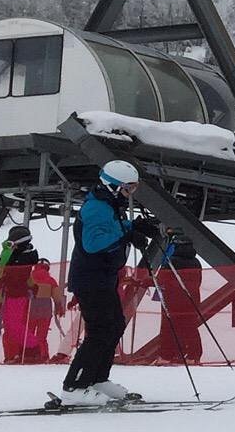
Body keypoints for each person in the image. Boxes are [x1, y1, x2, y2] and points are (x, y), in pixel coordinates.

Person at [60, 159, 158, 404]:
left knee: (115, 325)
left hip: (103, 278)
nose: (130, 194)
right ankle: (74, 387)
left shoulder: (108, 205)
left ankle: (97, 379)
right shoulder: (97, 207)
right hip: (90, 278)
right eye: (128, 188)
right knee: (100, 330)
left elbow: (111, 227)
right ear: (113, 186)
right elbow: (93, 244)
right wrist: (127, 234)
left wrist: (133, 225)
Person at [156, 230, 204, 364]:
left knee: (169, 328)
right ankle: (194, 355)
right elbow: (198, 281)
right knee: (190, 327)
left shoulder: (172, 261)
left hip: (172, 300)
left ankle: (167, 355)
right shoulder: (196, 262)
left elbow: (160, 279)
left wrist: (142, 282)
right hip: (192, 299)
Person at [0, 228, 41, 362]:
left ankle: (32, 348)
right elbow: (3, 268)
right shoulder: (17, 255)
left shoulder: (23, 257)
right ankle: (22, 351)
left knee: (14, 324)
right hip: (12, 292)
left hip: (18, 293)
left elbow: (11, 274)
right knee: (10, 325)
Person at [24, 260, 64, 363]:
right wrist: (59, 307)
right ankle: (43, 355)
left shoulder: (30, 279)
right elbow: (57, 297)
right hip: (45, 308)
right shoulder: (51, 280)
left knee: (29, 332)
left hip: (31, 307)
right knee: (42, 335)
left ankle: (28, 355)